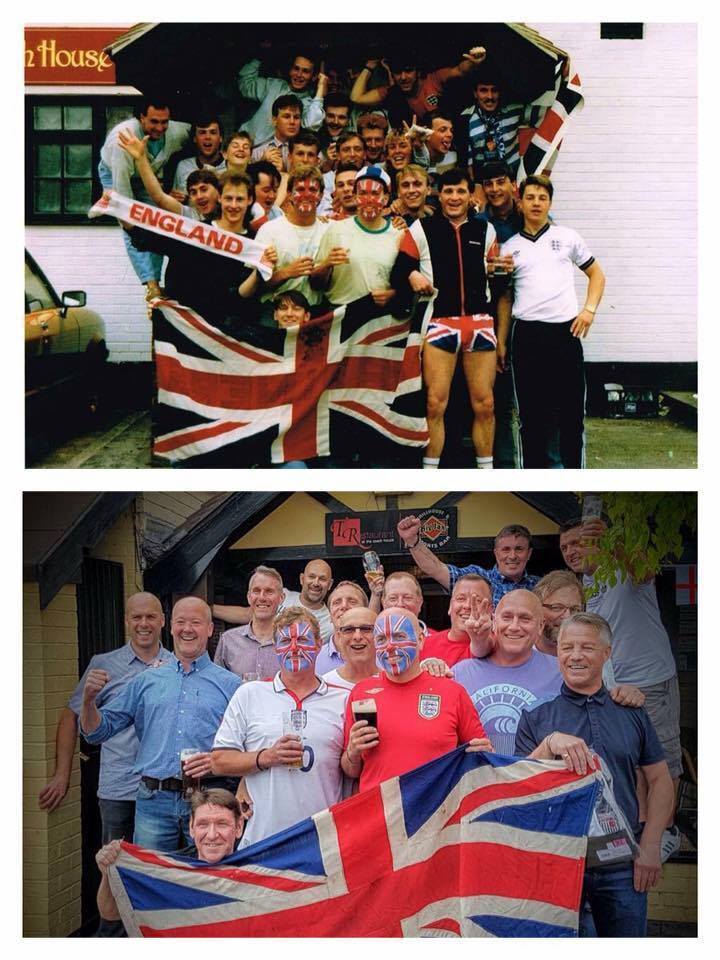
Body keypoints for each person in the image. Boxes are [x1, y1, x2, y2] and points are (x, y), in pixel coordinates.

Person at [515, 613, 675, 937]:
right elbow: (518, 788)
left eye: (587, 647)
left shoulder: (631, 712)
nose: (575, 656)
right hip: (558, 862)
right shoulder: (535, 717)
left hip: (623, 865)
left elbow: (660, 780)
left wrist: (652, 843)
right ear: (557, 652)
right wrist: (548, 745)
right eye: (567, 647)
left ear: (607, 653)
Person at [39, 593, 172, 935]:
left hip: (159, 793)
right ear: (126, 621)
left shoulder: (176, 665)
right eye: (136, 617)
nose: (143, 624)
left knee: (152, 873)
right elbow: (72, 717)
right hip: (117, 788)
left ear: (162, 620)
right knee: (112, 871)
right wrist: (62, 773)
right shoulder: (104, 664)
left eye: (150, 617)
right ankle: (109, 939)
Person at [560, 517, 683, 859]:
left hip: (650, 678)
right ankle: (643, 828)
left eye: (577, 542)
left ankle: (666, 831)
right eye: (565, 547)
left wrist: (611, 544)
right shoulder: (587, 582)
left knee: (664, 761)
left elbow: (645, 572)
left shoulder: (623, 569)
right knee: (635, 761)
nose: (571, 551)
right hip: (614, 685)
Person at [80, 597, 241, 853]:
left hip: (209, 799)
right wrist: (89, 702)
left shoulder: (231, 685)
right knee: (151, 880)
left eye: (195, 622)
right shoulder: (146, 681)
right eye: (181, 622)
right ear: (171, 627)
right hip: (154, 801)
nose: (187, 629)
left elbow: (246, 745)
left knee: (207, 883)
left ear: (210, 629)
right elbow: (97, 732)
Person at [211, 607, 349, 847]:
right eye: (285, 641)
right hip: (263, 840)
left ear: (319, 644)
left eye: (303, 640)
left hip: (322, 842)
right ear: (275, 648)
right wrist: (266, 757)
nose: (294, 647)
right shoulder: (249, 694)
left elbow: (353, 768)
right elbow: (219, 761)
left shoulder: (343, 699)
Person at [496, 175, 606, 468]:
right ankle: (535, 482)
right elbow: (505, 298)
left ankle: (575, 480)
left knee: (571, 416)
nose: (536, 203)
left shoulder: (567, 237)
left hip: (564, 334)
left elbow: (597, 275)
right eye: (530, 197)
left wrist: (589, 310)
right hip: (527, 336)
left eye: (542, 198)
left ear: (550, 203)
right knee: (531, 419)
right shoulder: (509, 248)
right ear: (520, 202)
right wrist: (502, 341)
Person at [392, 167, 498, 469]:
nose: (454, 197)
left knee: (485, 404)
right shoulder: (421, 229)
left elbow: (497, 273)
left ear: (470, 195)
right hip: (440, 324)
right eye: (448, 191)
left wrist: (499, 268)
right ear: (439, 195)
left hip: (479, 323)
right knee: (435, 404)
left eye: (460, 191)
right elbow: (399, 269)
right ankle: (430, 472)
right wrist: (412, 274)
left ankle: (486, 472)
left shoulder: (485, 230)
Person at [342, 608, 492, 792]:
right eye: (381, 639)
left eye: (398, 636)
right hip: (380, 814)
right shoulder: (361, 693)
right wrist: (352, 752)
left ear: (420, 640)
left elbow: (481, 758)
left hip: (437, 814)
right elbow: (350, 771)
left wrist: (483, 754)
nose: (390, 646)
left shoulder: (453, 693)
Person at [127, 171, 274, 328]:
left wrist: (261, 268)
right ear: (219, 198)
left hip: (229, 330)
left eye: (240, 199)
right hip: (187, 326)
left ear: (250, 200)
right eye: (228, 198)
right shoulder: (196, 232)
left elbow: (243, 294)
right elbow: (143, 236)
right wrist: (115, 206)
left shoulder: (254, 243)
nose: (233, 205)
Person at [96, 788, 245, 925]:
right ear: (192, 828)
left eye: (222, 824)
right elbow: (110, 913)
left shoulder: (256, 871)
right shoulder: (166, 871)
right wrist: (107, 874)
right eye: (203, 825)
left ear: (238, 827)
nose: (212, 835)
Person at [98, 94, 190, 300]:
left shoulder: (178, 131)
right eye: (154, 122)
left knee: (156, 222)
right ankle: (151, 284)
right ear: (141, 118)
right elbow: (124, 202)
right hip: (116, 175)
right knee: (132, 227)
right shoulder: (121, 141)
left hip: (147, 178)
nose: (160, 128)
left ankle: (155, 278)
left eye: (164, 122)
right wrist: (125, 217)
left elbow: (200, 139)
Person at [453, 589, 562, 754]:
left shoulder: (560, 672)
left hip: (536, 776)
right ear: (494, 622)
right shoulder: (459, 673)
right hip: (477, 776)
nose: (514, 626)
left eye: (525, 619)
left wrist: (616, 693)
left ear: (540, 626)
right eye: (507, 617)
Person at [532, 569, 646, 708]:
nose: (567, 616)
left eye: (575, 609)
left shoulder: (594, 654)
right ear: (537, 609)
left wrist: (626, 694)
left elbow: (609, 697)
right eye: (557, 607)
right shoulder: (522, 653)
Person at [475, 160, 522, 469]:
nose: (494, 189)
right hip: (491, 311)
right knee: (494, 394)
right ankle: (502, 461)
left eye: (499, 182)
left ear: (511, 184)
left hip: (529, 314)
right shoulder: (478, 222)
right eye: (488, 183)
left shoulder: (528, 218)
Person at [313, 165, 402, 309]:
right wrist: (326, 264)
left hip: (379, 317)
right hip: (341, 313)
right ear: (355, 197)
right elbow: (315, 284)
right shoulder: (335, 230)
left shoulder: (399, 234)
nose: (368, 199)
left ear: (385, 199)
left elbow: (405, 284)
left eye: (374, 193)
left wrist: (393, 294)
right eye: (362, 193)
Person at [397, 516, 538, 602]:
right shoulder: (478, 578)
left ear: (529, 553)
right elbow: (436, 569)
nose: (512, 556)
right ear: (496, 553)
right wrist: (412, 540)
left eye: (519, 549)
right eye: (506, 549)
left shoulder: (541, 587)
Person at [255, 164, 329, 319]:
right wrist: (286, 273)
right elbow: (256, 286)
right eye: (300, 190)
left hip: (313, 312)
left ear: (321, 195)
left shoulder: (329, 230)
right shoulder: (269, 230)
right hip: (275, 311)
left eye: (313, 190)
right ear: (289, 194)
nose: (306, 195)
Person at [350, 48, 487, 128]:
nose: (403, 77)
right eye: (398, 72)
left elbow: (460, 70)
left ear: (418, 72)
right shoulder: (392, 92)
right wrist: (369, 66)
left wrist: (473, 61)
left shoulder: (434, 79)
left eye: (408, 71)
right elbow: (356, 97)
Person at [214, 559, 334, 644]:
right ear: (302, 579)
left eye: (322, 579)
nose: (316, 583)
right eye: (312, 577)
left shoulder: (329, 622)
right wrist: (209, 609)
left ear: (330, 585)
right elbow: (247, 614)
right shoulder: (284, 595)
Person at [238, 52, 327, 149]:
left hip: (273, 154)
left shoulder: (308, 103)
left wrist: (321, 87)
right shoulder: (274, 85)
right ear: (290, 70)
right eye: (296, 68)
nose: (299, 74)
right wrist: (260, 54)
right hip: (243, 143)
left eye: (305, 71)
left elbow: (312, 124)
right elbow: (245, 83)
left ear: (313, 77)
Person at [213, 565, 286, 678]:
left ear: (281, 598)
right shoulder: (228, 640)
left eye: (269, 591)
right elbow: (218, 686)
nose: (262, 597)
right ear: (248, 597)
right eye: (256, 591)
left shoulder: (290, 641)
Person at [421, 574, 493, 666]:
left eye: (477, 600)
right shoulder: (424, 645)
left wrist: (480, 639)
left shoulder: (500, 646)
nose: (467, 606)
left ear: (490, 610)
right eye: (461, 599)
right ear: (450, 606)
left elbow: (484, 646)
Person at [315, 580, 370, 674]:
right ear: (330, 615)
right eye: (337, 602)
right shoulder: (314, 659)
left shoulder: (383, 657)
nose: (344, 606)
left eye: (352, 601)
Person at [323, 606, 378, 689]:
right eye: (349, 629)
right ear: (339, 637)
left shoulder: (395, 682)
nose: (357, 636)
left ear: (380, 635)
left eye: (366, 629)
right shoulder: (324, 688)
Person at [172, 114, 225, 199]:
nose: (207, 137)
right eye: (202, 132)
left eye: (213, 132)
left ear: (221, 138)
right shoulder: (183, 166)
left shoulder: (230, 166)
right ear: (195, 139)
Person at [249, 94, 303, 170]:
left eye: (296, 117)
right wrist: (261, 164)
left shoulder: (309, 153)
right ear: (274, 120)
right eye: (286, 116)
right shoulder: (257, 153)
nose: (292, 122)